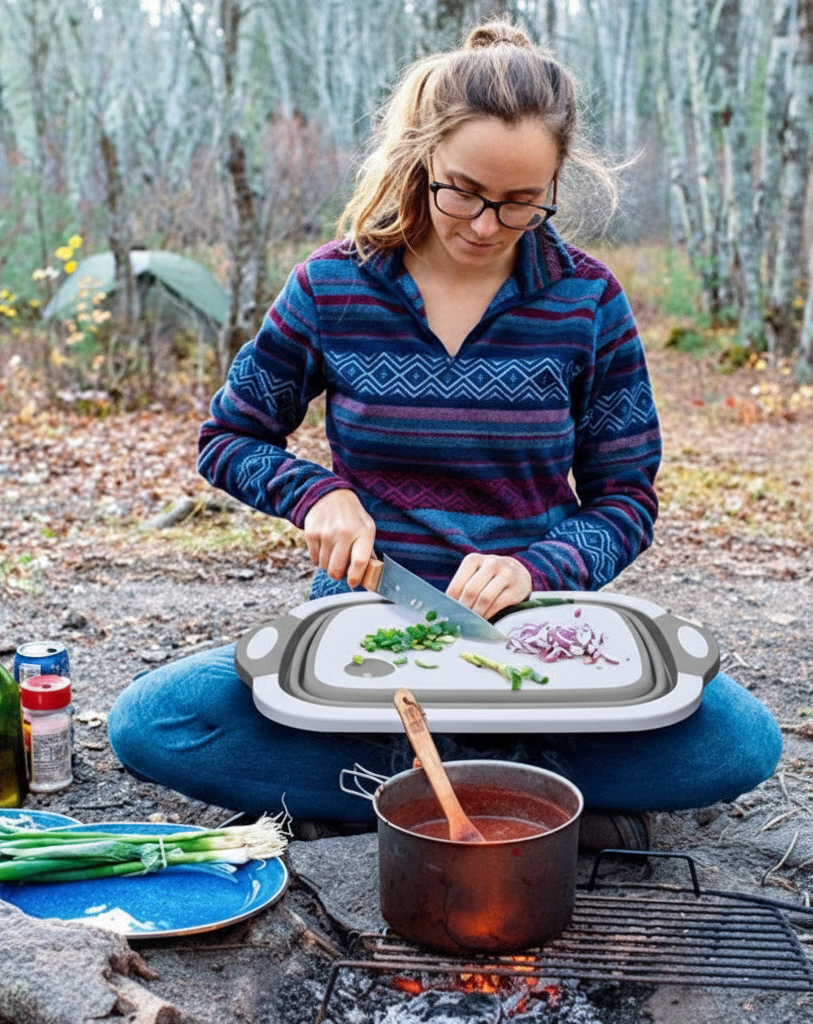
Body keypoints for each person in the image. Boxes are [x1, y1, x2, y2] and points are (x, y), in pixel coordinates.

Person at [108, 18, 781, 847]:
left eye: (522, 202)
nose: (486, 225)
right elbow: (229, 437)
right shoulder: (333, 284)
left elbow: (626, 501)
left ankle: (403, 788)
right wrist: (318, 495)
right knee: (153, 723)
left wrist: (537, 567)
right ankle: (527, 796)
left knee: (741, 742)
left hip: (537, 637)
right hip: (371, 631)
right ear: (420, 158)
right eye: (462, 190)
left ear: (553, 185)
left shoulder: (588, 302)